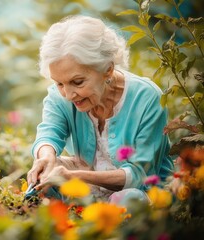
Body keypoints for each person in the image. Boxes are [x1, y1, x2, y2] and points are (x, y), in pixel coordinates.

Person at [26, 15, 174, 205]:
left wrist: (77, 176)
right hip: (90, 188)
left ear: (108, 70)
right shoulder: (60, 94)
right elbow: (49, 132)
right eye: (59, 83)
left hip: (142, 193)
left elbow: (140, 174)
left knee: (129, 199)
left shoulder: (147, 98)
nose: (68, 94)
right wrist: (46, 157)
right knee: (48, 170)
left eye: (77, 82)